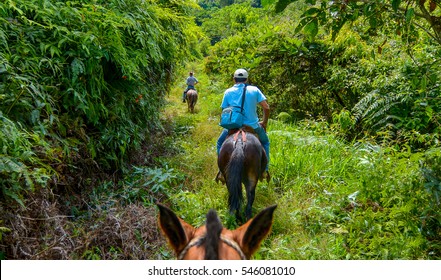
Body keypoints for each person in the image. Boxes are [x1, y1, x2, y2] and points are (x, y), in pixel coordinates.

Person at [216, 68, 270, 176]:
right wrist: (264, 122)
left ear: (234, 79)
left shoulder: (228, 92)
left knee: (219, 143)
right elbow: (266, 107)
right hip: (252, 126)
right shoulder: (254, 90)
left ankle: (221, 172)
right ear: (246, 79)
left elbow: (224, 111)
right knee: (265, 142)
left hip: (233, 126)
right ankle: (265, 170)